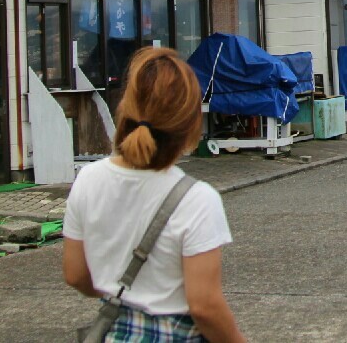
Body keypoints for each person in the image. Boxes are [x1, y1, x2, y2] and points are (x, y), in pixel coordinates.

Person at [63, 47, 245, 342]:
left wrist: (124, 295)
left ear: (126, 109)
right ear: (188, 126)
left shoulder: (87, 180)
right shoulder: (197, 199)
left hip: (115, 331)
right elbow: (205, 306)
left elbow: (76, 275)